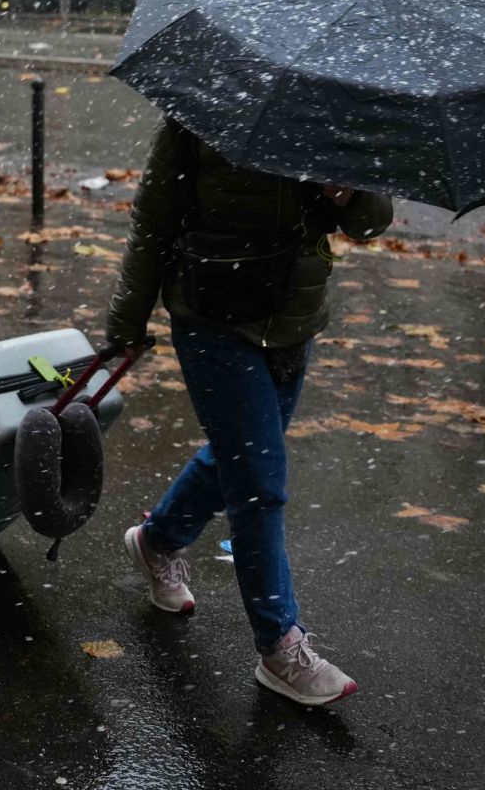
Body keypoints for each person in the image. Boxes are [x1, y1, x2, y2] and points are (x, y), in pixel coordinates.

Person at [105, 118, 391, 707]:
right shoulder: (201, 112)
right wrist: (127, 323)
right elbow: (154, 223)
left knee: (241, 460)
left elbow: (371, 223)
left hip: (292, 321)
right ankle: (280, 648)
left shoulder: (333, 111)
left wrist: (347, 192)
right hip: (212, 316)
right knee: (259, 483)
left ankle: (158, 540)